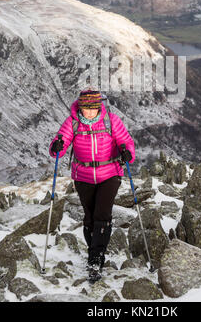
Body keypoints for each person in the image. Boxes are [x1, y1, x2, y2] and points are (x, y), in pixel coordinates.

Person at [49, 89, 135, 282]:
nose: (89, 112)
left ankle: (96, 259)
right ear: (80, 107)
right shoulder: (72, 122)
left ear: (99, 106)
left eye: (93, 108)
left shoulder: (111, 121)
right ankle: (94, 252)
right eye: (85, 108)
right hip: (83, 175)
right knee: (89, 218)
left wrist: (127, 152)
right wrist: (56, 148)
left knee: (102, 215)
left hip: (110, 174)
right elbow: (60, 142)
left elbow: (126, 142)